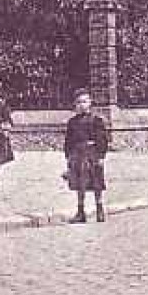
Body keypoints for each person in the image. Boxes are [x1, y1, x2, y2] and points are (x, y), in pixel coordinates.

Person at [62, 88, 110, 223]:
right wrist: (68, 156)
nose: (82, 105)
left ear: (90, 103)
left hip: (92, 153)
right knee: (79, 184)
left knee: (96, 183)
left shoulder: (96, 120)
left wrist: (101, 156)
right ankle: (80, 211)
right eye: (78, 102)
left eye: (84, 102)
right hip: (78, 154)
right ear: (75, 105)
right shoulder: (72, 122)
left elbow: (102, 139)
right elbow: (69, 140)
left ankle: (100, 209)